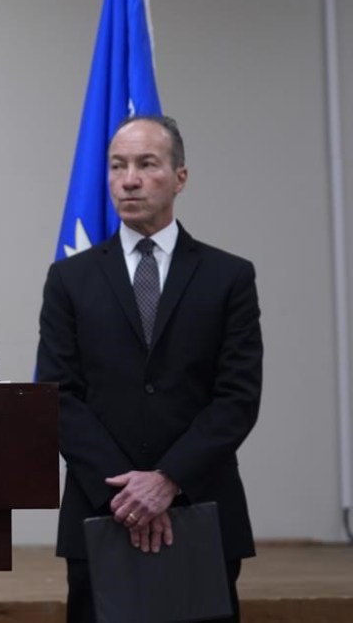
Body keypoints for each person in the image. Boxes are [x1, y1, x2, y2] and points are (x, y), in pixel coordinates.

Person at [36, 116, 262, 622]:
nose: (129, 179)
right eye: (117, 165)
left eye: (146, 164)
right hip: (101, 510)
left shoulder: (229, 277)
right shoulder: (70, 279)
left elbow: (237, 398)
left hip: (200, 509)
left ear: (180, 177)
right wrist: (128, 493)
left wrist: (167, 480)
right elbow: (57, 393)